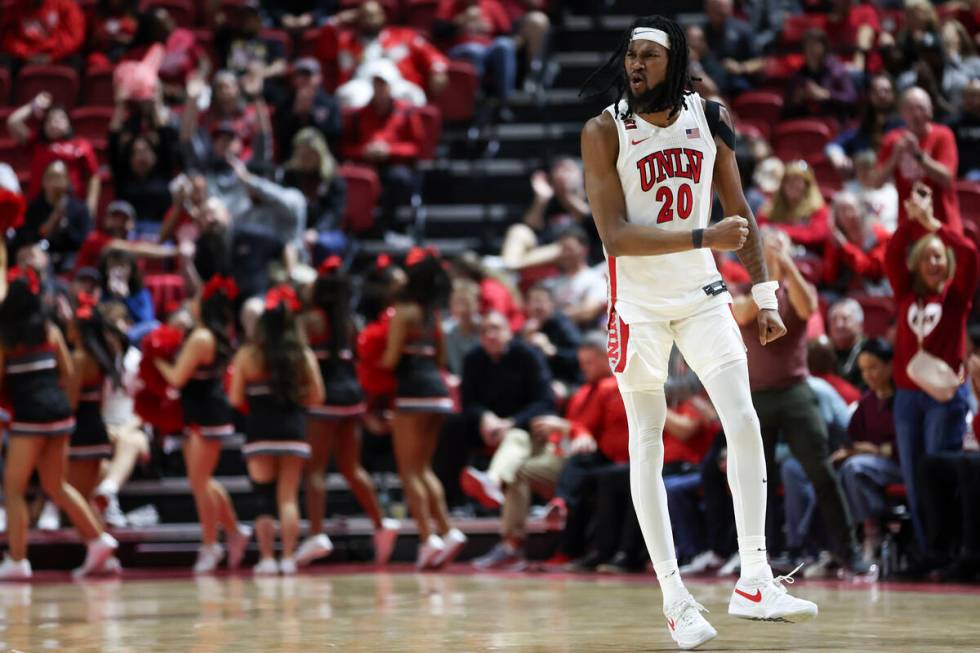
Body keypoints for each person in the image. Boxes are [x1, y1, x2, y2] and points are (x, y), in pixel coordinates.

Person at [580, 17, 815, 649]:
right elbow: (615, 235)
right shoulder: (604, 131)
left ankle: (755, 577)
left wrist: (764, 294)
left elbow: (738, 208)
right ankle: (675, 598)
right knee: (647, 444)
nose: (635, 64)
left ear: (674, 58)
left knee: (743, 420)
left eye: (649, 56)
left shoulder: (710, 118)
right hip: (638, 307)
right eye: (629, 54)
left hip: (705, 295)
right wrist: (700, 238)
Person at [734, 230, 871, 576]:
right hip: (757, 396)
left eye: (776, 248)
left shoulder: (794, 288)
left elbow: (808, 307)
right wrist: (769, 276)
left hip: (796, 391)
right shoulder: (744, 291)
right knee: (752, 480)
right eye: (765, 250)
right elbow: (744, 315)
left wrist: (786, 265)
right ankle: (755, 559)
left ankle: (849, 552)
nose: (771, 253)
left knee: (821, 473)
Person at [0, 264, 118, 580]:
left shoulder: (6, 339)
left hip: (30, 417)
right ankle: (97, 540)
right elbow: (65, 373)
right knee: (56, 485)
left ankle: (17, 559)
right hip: (60, 414)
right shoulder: (50, 332)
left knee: (13, 488)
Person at [883, 182, 978, 551]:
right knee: (912, 474)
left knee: (938, 474)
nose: (935, 262)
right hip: (908, 396)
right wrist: (911, 222)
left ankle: (948, 548)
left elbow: (969, 252)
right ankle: (926, 550)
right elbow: (892, 255)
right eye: (928, 256)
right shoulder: (906, 294)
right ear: (918, 262)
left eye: (940, 257)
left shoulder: (956, 298)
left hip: (944, 397)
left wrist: (933, 224)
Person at [297, 257, 400, 567]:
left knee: (315, 470)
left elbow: (299, 358)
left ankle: (316, 533)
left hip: (325, 396)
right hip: (352, 395)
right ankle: (381, 523)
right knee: (350, 467)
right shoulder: (350, 320)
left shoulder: (311, 319)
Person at [155, 275, 252, 574]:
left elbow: (175, 378)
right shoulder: (207, 334)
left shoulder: (202, 338)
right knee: (203, 480)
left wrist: (153, 357)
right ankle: (235, 532)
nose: (190, 303)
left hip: (207, 415)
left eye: (196, 299)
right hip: (201, 411)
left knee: (199, 483)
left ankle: (211, 545)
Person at [381, 247, 467, 569]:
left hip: (413, 394)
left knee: (410, 471)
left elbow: (390, 360)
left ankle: (426, 537)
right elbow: (442, 360)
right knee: (425, 468)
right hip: (438, 393)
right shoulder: (434, 315)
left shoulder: (403, 312)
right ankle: (447, 530)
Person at [229, 283, 323, 575]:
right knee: (288, 497)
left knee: (264, 498)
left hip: (260, 431)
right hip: (293, 429)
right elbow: (318, 397)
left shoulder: (247, 355)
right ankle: (289, 558)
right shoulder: (303, 354)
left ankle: (267, 559)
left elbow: (234, 398)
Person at [435, 309, 554, 508]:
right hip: (486, 426)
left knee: (517, 436)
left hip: (523, 425)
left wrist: (512, 422)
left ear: (509, 332)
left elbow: (545, 401)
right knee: (451, 426)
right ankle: (449, 500)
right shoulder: (473, 359)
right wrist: (484, 417)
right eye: (484, 331)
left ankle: (492, 481)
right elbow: (468, 402)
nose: (490, 335)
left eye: (495, 329)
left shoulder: (528, 356)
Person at [835, 338, 902, 563]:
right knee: (839, 470)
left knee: (853, 468)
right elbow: (852, 438)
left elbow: (907, 446)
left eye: (873, 367)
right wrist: (850, 450)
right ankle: (843, 542)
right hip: (869, 467)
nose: (868, 375)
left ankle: (870, 532)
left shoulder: (904, 399)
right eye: (863, 370)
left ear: (889, 365)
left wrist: (875, 450)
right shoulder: (867, 402)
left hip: (900, 465)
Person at [341, 61, 424, 235]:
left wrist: (389, 150)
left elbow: (417, 147)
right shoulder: (359, 115)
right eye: (376, 84)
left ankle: (388, 225)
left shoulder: (407, 112)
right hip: (365, 164)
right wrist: (364, 151)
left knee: (398, 178)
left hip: (395, 166)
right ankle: (356, 227)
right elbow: (345, 147)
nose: (379, 89)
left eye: (383, 84)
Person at [873, 87, 961, 233]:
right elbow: (876, 182)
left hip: (943, 224)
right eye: (910, 109)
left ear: (931, 110)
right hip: (909, 226)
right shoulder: (893, 140)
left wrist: (918, 155)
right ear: (901, 113)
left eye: (921, 108)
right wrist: (894, 157)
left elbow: (947, 178)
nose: (916, 114)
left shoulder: (943, 135)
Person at [7, 93, 101, 217]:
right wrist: (33, 105)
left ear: (69, 123)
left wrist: (90, 208)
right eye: (50, 119)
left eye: (60, 118)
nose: (54, 122)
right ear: (44, 125)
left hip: (71, 211)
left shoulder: (81, 145)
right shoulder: (37, 143)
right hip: (38, 209)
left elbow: (94, 177)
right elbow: (13, 122)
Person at [501, 158, 594, 271]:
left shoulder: (590, 197)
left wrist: (567, 197)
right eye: (558, 170)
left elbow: (590, 221)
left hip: (576, 252)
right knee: (518, 231)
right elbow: (531, 227)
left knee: (566, 245)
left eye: (568, 170)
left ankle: (508, 266)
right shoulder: (547, 198)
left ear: (580, 175)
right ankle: (507, 265)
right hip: (543, 253)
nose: (563, 174)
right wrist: (541, 200)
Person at [17, 160, 92, 273]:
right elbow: (27, 238)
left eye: (60, 178)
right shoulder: (33, 208)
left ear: (67, 182)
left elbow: (83, 242)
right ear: (43, 181)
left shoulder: (79, 209)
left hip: (69, 260)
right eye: (51, 178)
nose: (55, 183)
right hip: (39, 258)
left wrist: (64, 225)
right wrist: (52, 220)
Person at [783, 28, 857, 123]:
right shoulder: (797, 77)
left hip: (833, 123)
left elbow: (852, 98)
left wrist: (827, 95)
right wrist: (795, 100)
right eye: (808, 45)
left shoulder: (837, 71)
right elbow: (786, 112)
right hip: (806, 123)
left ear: (824, 47)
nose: (811, 49)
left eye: (816, 45)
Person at [757, 160, 830, 253]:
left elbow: (816, 235)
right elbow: (761, 227)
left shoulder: (818, 209)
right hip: (775, 251)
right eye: (788, 180)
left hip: (807, 257)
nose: (792, 184)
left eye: (797, 180)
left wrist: (780, 230)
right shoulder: (770, 208)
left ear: (807, 185)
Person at [547, 226, 606, 328]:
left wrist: (553, 316)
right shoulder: (553, 282)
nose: (565, 254)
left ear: (584, 250)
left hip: (582, 335)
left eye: (569, 249)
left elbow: (588, 311)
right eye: (562, 249)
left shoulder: (594, 279)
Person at [827, 297, 868, 390]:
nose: (838, 325)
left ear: (860, 325)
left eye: (845, 319)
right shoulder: (824, 351)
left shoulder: (869, 350)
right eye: (834, 319)